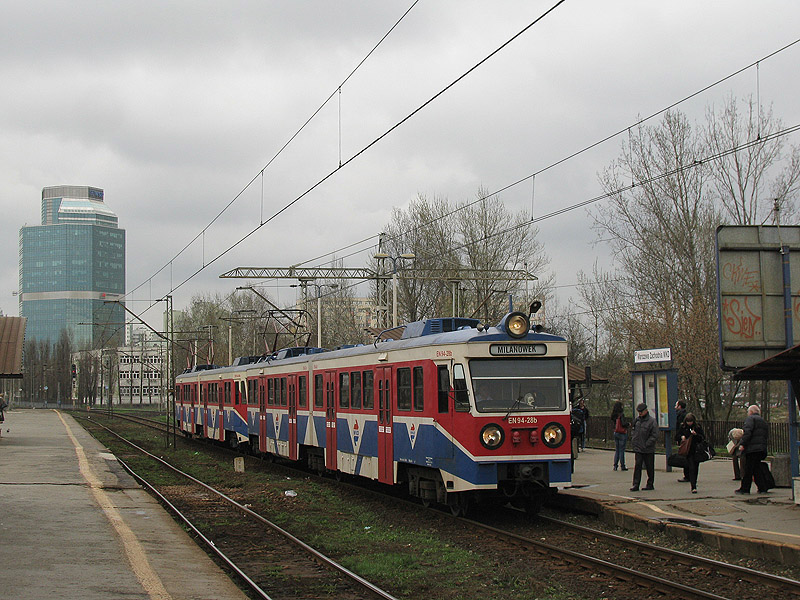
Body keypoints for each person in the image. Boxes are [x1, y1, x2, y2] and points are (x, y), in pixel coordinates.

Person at [736, 405, 770, 495]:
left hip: (752, 448)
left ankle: (745, 488)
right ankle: (762, 488)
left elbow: (747, 432)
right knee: (756, 468)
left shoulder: (750, 419)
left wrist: (743, 444)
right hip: (760, 448)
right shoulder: (763, 421)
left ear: (750, 412)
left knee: (748, 469)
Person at [630, 402, 657, 491]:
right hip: (638, 448)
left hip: (648, 449)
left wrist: (647, 444)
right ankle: (636, 484)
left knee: (649, 467)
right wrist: (634, 441)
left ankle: (650, 483)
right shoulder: (637, 421)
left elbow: (654, 435)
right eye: (639, 412)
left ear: (646, 411)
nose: (640, 414)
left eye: (641, 412)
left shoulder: (652, 421)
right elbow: (633, 431)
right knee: (638, 466)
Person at [676, 412, 704, 493]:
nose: (689, 423)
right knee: (691, 467)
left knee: (695, 467)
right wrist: (682, 437)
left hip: (696, 450)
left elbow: (702, 438)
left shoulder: (697, 427)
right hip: (688, 450)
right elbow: (677, 436)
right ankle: (693, 486)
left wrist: (696, 435)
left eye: (691, 422)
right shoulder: (683, 427)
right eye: (688, 422)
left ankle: (694, 482)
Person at [674, 399, 690, 483]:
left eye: (676, 405)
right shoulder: (685, 414)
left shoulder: (681, 415)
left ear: (679, 406)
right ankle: (688, 475)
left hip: (684, 438)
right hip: (685, 438)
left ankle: (687, 475)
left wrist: (679, 437)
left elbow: (680, 428)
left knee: (685, 456)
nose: (675, 407)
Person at [610, 400, 629, 471]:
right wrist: (628, 424)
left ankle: (615, 465)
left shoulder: (614, 414)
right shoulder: (621, 414)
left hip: (616, 432)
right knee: (622, 450)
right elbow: (623, 424)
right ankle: (622, 465)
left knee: (617, 450)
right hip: (622, 433)